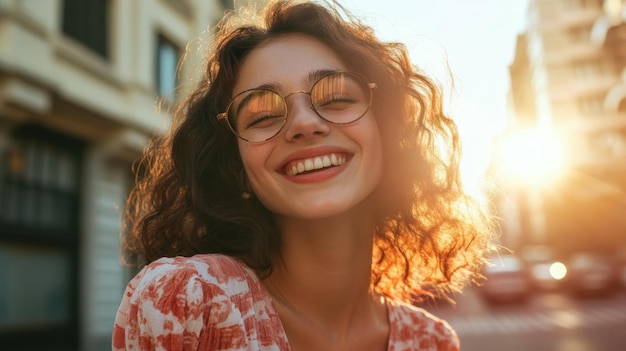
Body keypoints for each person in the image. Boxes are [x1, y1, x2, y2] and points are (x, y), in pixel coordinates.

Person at [112, 0, 494, 350]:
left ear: (390, 134)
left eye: (337, 98)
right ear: (237, 167)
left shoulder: (434, 342)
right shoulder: (188, 303)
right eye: (262, 116)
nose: (304, 123)